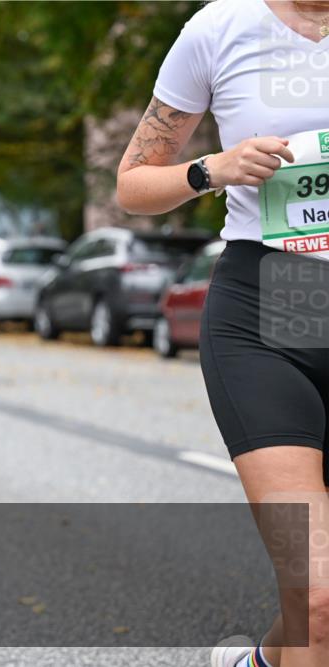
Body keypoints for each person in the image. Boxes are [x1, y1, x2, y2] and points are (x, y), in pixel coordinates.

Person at [115, 3, 328, 667]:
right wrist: (213, 168)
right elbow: (131, 184)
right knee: (317, 592)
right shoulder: (219, 28)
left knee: (314, 613)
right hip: (265, 312)